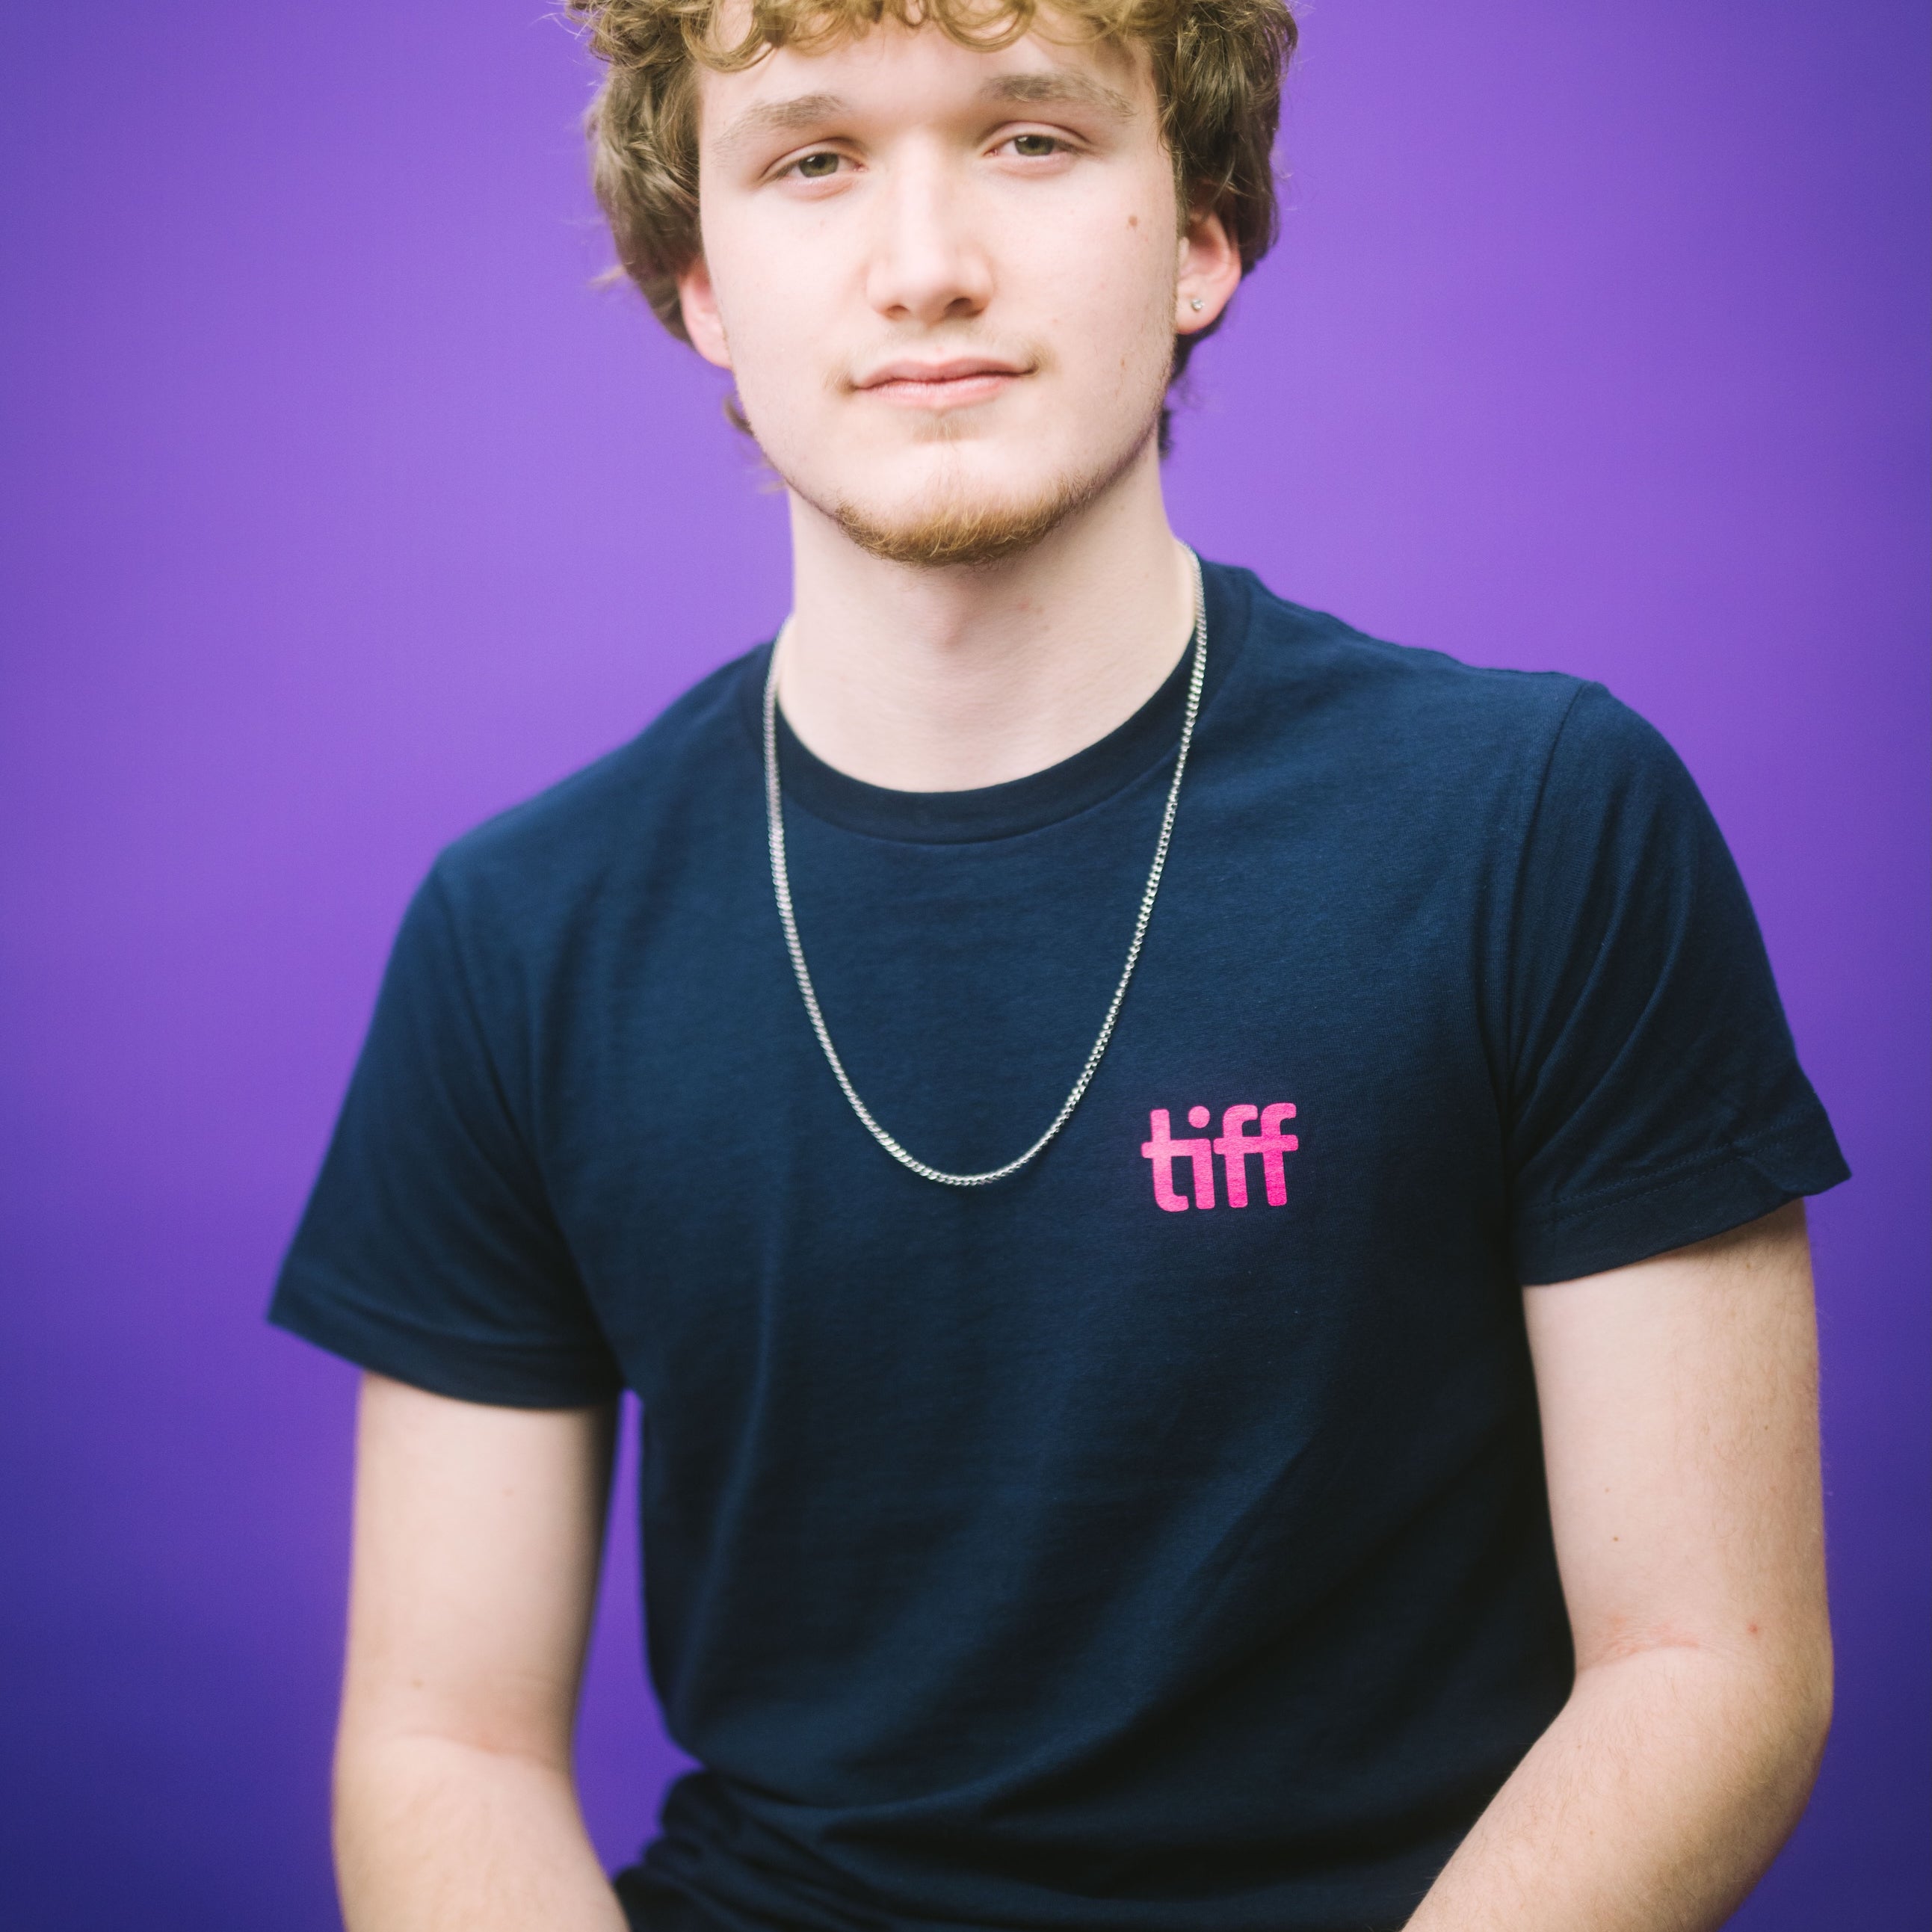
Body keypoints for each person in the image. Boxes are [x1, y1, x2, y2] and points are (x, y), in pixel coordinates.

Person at [268, 0, 1851, 1925]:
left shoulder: (1536, 822)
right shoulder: (519, 934)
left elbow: (1713, 1665)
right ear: (702, 281)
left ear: (1201, 235)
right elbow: (447, 1748)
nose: (925, 270)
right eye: (814, 160)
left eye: (1031, 139)